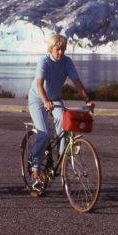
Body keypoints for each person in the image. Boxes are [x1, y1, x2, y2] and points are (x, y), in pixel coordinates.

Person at [28, 34, 92, 189]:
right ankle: (35, 168)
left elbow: (77, 82)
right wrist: (45, 102)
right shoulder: (44, 61)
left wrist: (87, 100)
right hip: (38, 99)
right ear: (51, 49)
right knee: (43, 133)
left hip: (55, 99)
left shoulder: (67, 62)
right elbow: (39, 85)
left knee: (65, 126)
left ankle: (61, 165)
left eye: (63, 49)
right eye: (58, 49)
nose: (61, 53)